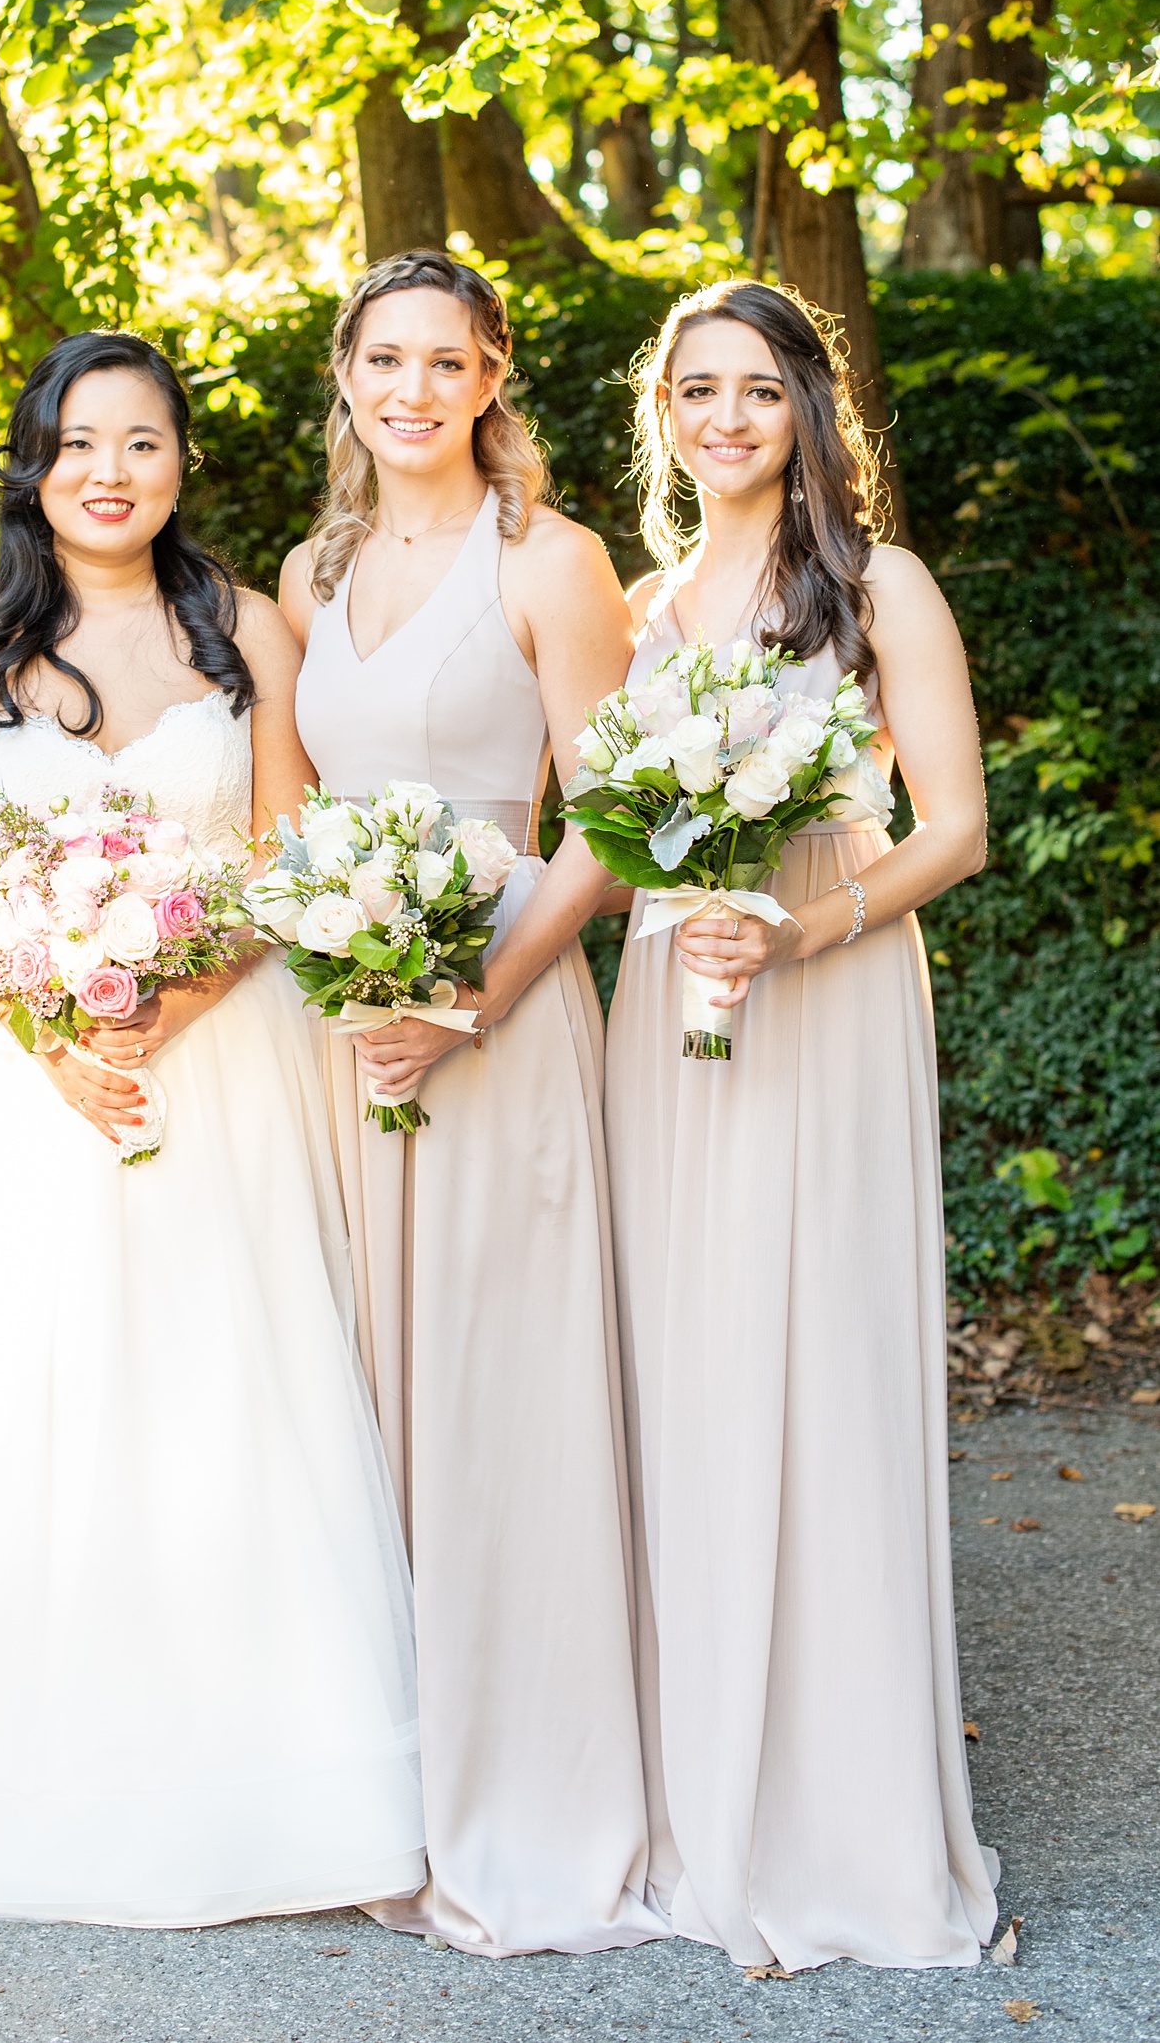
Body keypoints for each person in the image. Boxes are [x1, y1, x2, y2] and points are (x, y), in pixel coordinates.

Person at [0, 330, 424, 1928]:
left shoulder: (250, 631)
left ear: (180, 461)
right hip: (36, 1070)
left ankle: (289, 1785)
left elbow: (285, 860)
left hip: (223, 1057)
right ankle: (62, 1783)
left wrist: (175, 1003)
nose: (110, 472)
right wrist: (59, 1035)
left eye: (142, 442)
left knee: (234, 1382)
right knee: (52, 1395)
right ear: (36, 463)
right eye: (80, 443)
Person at [604, 277, 999, 1969]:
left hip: (824, 982)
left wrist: (814, 926)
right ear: (665, 415)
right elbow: (606, 819)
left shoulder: (879, 583)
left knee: (819, 1366)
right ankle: (708, 1799)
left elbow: (959, 824)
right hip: (663, 988)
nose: (727, 419)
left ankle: (845, 1816)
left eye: (760, 390)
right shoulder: (638, 603)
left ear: (808, 413)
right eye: (699, 390)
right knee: (687, 1365)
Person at [280, 249, 660, 1958]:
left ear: (496, 372)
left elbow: (614, 817)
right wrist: (345, 968)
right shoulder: (314, 565)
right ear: (347, 377)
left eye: (448, 360)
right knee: (367, 1388)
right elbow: (295, 813)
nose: (414, 389)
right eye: (385, 360)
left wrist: (475, 998)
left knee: (502, 1391)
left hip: (497, 1013)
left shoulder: (556, 559)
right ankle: (390, 1783)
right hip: (346, 1021)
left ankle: (537, 1786)